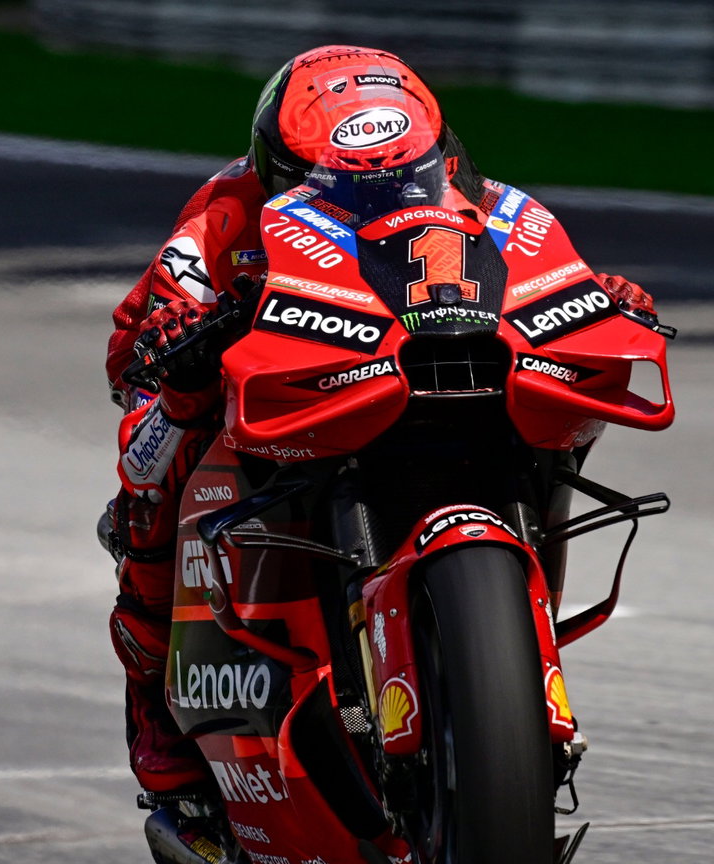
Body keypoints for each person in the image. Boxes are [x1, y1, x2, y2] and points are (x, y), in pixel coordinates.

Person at [103, 45, 655, 794]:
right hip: (276, 385)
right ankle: (155, 712)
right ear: (279, 165)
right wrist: (177, 341)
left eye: (407, 169)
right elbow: (140, 342)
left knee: (557, 415)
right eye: (342, 179)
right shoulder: (223, 215)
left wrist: (604, 301)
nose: (385, 192)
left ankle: (508, 673)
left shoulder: (496, 204)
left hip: (412, 366)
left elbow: (552, 276)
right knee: (154, 466)